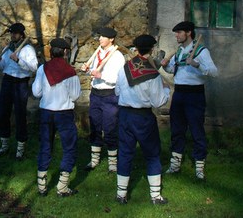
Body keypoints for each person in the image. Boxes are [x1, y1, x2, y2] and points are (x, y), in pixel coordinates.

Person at [114, 34, 170, 205]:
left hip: (124, 115)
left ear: (136, 49)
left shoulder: (124, 68)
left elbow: (117, 91)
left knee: (125, 152)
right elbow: (158, 102)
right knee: (152, 153)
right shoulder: (153, 75)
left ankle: (121, 194)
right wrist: (166, 90)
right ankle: (155, 196)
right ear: (152, 49)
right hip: (143, 117)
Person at [161, 20, 219, 180]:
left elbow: (214, 72)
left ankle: (199, 167)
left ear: (188, 33)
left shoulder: (201, 51)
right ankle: (175, 165)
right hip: (179, 93)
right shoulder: (179, 51)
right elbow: (173, 70)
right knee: (177, 129)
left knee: (196, 129)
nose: (176, 36)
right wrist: (165, 65)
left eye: (179, 32)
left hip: (195, 95)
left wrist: (196, 64)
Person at [32, 38, 81, 197]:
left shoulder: (42, 69)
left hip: (46, 112)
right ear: (65, 52)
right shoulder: (70, 71)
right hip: (64, 114)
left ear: (51, 51)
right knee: (69, 147)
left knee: (45, 146)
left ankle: (41, 186)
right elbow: (75, 95)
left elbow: (36, 92)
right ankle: (62, 186)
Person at [80, 26, 126, 173]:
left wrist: (102, 76)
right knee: (95, 126)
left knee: (110, 128)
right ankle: (94, 159)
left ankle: (113, 162)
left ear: (111, 39)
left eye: (103, 36)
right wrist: (87, 69)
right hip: (95, 94)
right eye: (100, 36)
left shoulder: (117, 56)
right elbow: (94, 73)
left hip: (110, 95)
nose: (99, 39)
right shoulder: (98, 53)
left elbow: (119, 78)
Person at [0, 22, 38, 159]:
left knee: (20, 114)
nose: (12, 35)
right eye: (11, 33)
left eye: (15, 33)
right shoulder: (8, 48)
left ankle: (20, 147)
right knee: (3, 113)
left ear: (21, 35)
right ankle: (4, 144)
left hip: (20, 83)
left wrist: (18, 60)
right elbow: (2, 67)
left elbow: (34, 68)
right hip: (7, 81)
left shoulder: (28, 49)